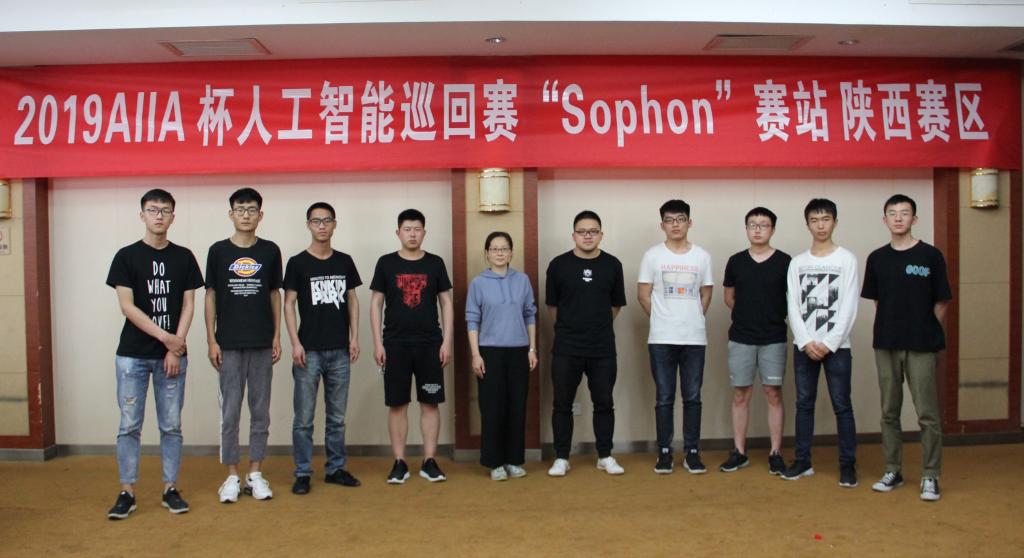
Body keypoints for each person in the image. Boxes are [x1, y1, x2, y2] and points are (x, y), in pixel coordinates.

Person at [105, 189, 203, 519]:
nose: (158, 216)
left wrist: (177, 347)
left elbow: (189, 305)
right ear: (142, 215)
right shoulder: (126, 256)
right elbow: (127, 307)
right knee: (129, 425)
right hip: (132, 356)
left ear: (173, 216)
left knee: (171, 425)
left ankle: (170, 488)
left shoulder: (184, 257)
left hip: (171, 358)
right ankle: (127, 492)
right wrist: (167, 339)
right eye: (152, 210)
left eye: (165, 211)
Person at [861, 194, 951, 502]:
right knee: (889, 411)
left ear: (915, 218)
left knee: (927, 413)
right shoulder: (877, 258)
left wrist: (923, 328)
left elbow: (942, 301)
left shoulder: (930, 255)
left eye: (904, 213)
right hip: (886, 343)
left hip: (922, 344)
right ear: (884, 220)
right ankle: (892, 470)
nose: (898, 218)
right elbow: (878, 301)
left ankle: (931, 474)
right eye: (892, 213)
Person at [205, 187, 283, 502]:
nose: (246, 215)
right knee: (230, 412)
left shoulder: (270, 251)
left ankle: (255, 473)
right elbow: (210, 295)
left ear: (260, 215)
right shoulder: (218, 251)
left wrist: (277, 336)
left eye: (252, 210)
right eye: (240, 209)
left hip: (262, 342)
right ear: (231, 214)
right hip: (228, 343)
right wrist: (211, 339)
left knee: (260, 411)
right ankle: (232, 476)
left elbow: (275, 294)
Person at [283, 202, 363, 495]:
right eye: (316, 221)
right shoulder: (297, 263)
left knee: (337, 418)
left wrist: (354, 337)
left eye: (327, 220)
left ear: (334, 224)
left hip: (339, 350)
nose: (321, 226)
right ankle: (303, 472)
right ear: (308, 225)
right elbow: (288, 304)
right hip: (309, 351)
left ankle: (335, 469)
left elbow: (352, 299)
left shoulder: (344, 261)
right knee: (304, 419)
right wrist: (295, 343)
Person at [370, 209, 453, 484]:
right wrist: (378, 343)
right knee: (398, 405)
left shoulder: (435, 263)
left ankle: (429, 461)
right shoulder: (386, 263)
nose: (413, 234)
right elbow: (376, 304)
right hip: (395, 345)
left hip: (430, 345)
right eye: (407, 229)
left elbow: (446, 304)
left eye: (417, 229)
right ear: (398, 233)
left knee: (430, 403)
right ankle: (400, 462)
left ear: (424, 233)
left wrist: (447, 342)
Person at [783, 198, 859, 488]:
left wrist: (829, 342)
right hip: (804, 347)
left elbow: (849, 306)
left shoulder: (847, 259)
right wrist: (805, 341)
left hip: (837, 347)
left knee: (842, 404)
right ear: (807, 225)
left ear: (835, 222)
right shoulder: (797, 263)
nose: (821, 225)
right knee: (804, 404)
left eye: (826, 219)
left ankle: (848, 465)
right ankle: (802, 461)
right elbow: (792, 304)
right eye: (814, 220)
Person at [546, 210, 627, 477]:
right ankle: (561, 457)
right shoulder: (558, 265)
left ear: (601, 235)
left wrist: (596, 325)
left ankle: (605, 455)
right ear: (573, 235)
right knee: (562, 404)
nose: (587, 236)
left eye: (593, 231)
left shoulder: (613, 265)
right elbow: (553, 307)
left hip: (602, 347)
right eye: (582, 232)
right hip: (567, 346)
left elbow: (615, 306)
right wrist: (572, 327)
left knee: (604, 402)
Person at [637, 200, 713, 474]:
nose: (675, 225)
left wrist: (691, 317)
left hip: (694, 338)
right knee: (664, 397)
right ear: (662, 225)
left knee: (692, 397)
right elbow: (643, 295)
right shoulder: (652, 256)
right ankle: (664, 452)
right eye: (669, 220)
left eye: (680, 219)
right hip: (661, 338)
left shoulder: (702, 256)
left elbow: (706, 294)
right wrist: (663, 317)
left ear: (689, 223)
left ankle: (692, 451)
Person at [720, 207, 790, 475]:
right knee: (741, 394)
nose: (758, 229)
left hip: (774, 337)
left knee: (773, 393)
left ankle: (775, 452)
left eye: (764, 225)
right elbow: (729, 298)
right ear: (746, 229)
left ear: (773, 229)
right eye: (753, 225)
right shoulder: (736, 261)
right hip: (741, 337)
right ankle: (739, 451)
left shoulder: (785, 262)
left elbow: (792, 300)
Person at [466, 232, 538, 481]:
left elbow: (530, 314)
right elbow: (472, 320)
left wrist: (532, 349)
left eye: (504, 248)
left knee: (517, 406)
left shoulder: (522, 280)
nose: (499, 253)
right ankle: (494, 462)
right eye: (494, 248)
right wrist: (476, 355)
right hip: (489, 351)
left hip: (519, 350)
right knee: (492, 408)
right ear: (487, 253)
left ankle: (514, 460)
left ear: (511, 252)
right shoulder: (478, 283)